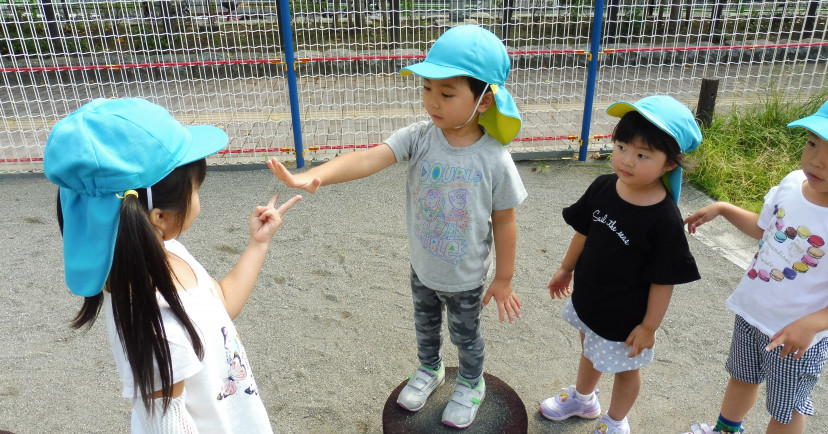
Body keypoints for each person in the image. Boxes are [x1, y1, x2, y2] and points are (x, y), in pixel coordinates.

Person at [267, 25, 526, 428]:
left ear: (485, 100)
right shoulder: (420, 138)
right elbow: (372, 157)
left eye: (446, 93)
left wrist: (505, 278)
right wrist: (317, 174)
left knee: (467, 336)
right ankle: (429, 368)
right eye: (426, 90)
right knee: (424, 327)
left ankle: (472, 382)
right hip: (424, 267)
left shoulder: (494, 159)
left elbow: (505, 220)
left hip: (468, 276)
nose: (432, 103)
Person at [43, 98, 302, 433]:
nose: (198, 198)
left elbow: (218, 304)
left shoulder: (167, 252)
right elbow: (166, 423)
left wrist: (258, 244)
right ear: (159, 217)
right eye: (195, 188)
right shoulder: (156, 323)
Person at [541, 95, 702, 434]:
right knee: (589, 347)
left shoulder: (664, 219)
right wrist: (566, 268)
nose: (627, 160)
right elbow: (584, 231)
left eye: (643, 155)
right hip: (591, 298)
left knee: (626, 370)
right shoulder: (603, 186)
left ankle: (615, 421)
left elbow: (664, 279)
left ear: (669, 163)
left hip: (629, 318)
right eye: (622, 147)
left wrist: (649, 327)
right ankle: (584, 400)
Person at [683, 100, 828, 434]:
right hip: (752, 312)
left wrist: (811, 325)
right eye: (812, 143)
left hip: (795, 338)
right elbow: (765, 230)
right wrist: (723, 208)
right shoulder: (792, 183)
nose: (816, 160)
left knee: (786, 409)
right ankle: (726, 429)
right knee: (742, 377)